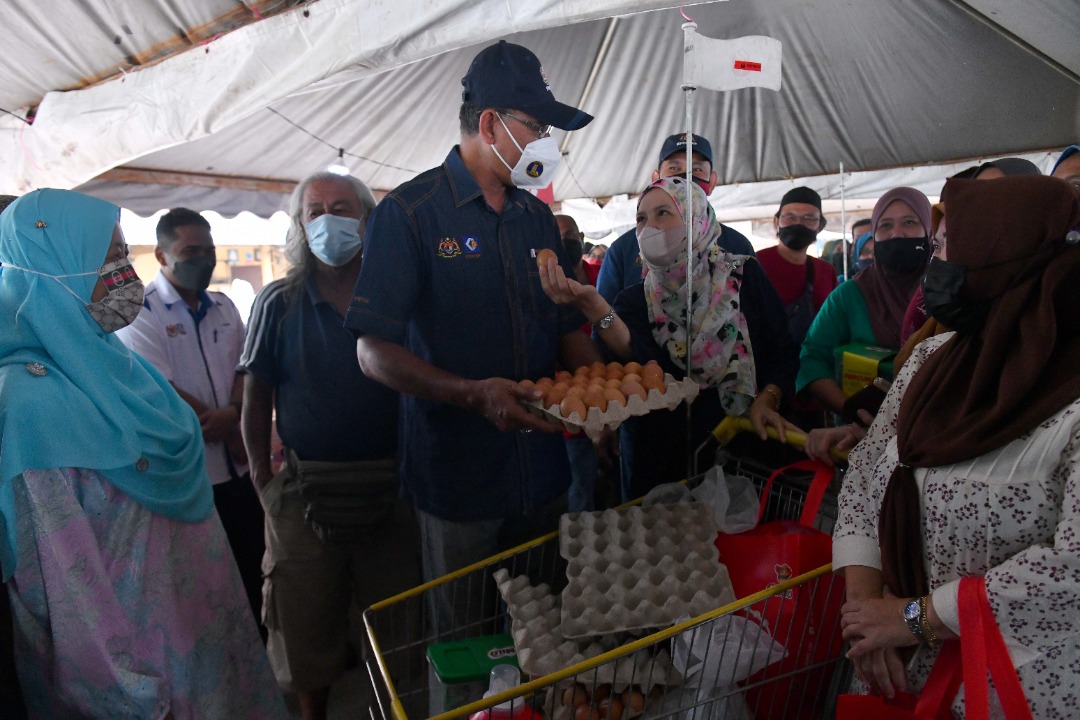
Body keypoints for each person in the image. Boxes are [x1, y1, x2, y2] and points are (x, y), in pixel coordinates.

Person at [345, 41, 600, 636]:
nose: (546, 143)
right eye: (536, 126)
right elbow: (371, 350)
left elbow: (563, 325)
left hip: (543, 469)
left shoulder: (536, 219)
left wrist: (601, 396)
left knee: (545, 645)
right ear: (490, 124)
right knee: (464, 652)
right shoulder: (411, 214)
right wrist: (472, 394)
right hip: (458, 480)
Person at [0, 189, 285, 718]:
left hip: (205, 635)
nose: (122, 273)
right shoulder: (30, 405)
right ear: (53, 268)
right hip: (143, 679)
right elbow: (63, 590)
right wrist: (131, 693)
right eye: (107, 257)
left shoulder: (118, 366)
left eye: (122, 254)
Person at [832, 175, 1080, 715]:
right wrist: (867, 611)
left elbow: (1073, 567)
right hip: (900, 675)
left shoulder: (1071, 400)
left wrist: (912, 618)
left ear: (1001, 257)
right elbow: (864, 479)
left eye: (944, 249)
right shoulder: (930, 360)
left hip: (1018, 689)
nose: (933, 265)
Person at [239, 172, 420, 720]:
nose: (327, 221)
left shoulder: (398, 294)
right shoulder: (279, 300)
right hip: (303, 489)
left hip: (395, 485)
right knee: (302, 622)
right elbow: (255, 397)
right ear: (299, 225)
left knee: (396, 623)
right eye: (314, 211)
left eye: (340, 208)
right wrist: (261, 478)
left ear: (368, 219)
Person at [541, 177, 800, 496]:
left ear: (696, 218)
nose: (649, 227)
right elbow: (633, 361)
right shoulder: (634, 300)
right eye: (641, 218)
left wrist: (769, 398)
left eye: (663, 213)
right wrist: (596, 308)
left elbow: (783, 351)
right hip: (661, 462)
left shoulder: (744, 278)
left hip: (744, 450)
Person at [115, 208, 264, 633]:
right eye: (190, 251)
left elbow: (245, 369)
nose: (203, 259)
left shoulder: (224, 306)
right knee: (209, 580)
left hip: (240, 467)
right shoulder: (141, 311)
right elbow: (158, 386)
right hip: (192, 473)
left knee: (253, 565)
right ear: (162, 256)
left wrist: (235, 416)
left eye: (209, 250)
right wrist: (224, 423)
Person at [796, 187, 932, 414]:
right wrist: (850, 409)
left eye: (910, 222)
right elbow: (812, 359)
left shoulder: (949, 291)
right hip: (861, 437)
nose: (897, 234)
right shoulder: (849, 296)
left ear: (929, 229)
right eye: (885, 225)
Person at [596, 133, 755, 305]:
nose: (685, 176)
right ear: (655, 179)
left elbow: (761, 318)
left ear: (712, 182)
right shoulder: (623, 250)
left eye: (696, 170)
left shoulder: (738, 246)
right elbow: (603, 316)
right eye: (673, 168)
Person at [757, 186, 839, 344]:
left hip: (811, 361)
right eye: (790, 217)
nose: (799, 224)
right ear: (776, 222)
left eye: (809, 219)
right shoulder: (755, 263)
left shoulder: (825, 271)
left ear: (820, 226)